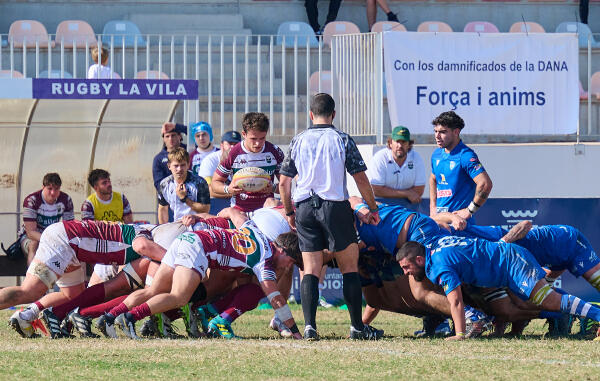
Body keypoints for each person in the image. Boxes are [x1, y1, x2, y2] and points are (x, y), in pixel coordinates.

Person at [101, 214, 303, 340]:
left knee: (153, 290)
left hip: (188, 239)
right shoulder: (265, 261)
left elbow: (235, 213)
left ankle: (110, 317)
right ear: (284, 251)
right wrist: (295, 331)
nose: (288, 268)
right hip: (198, 248)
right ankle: (129, 317)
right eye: (291, 262)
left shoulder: (255, 231)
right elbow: (276, 298)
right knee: (179, 297)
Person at [279, 92, 382, 340]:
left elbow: (284, 183)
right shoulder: (342, 138)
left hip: (304, 206)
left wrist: (289, 211)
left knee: (311, 269)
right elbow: (360, 178)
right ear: (333, 114)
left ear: (311, 115)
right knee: (348, 267)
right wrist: (372, 207)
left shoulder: (298, 140)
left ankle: (309, 327)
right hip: (334, 206)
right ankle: (357, 327)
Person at [397, 238, 600, 341]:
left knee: (548, 300)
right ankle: (568, 316)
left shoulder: (438, 265)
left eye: (406, 267)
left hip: (510, 263)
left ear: (420, 259)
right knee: (517, 306)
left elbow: (456, 301)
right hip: (504, 265)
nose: (406, 273)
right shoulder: (434, 248)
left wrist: (459, 334)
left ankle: (595, 314)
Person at [1, 219, 165, 337]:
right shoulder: (146, 234)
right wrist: (172, 260)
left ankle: (24, 318)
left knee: (72, 295)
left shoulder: (137, 232)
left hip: (71, 246)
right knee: (29, 291)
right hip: (64, 241)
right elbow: (142, 246)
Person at [211, 112, 284, 213]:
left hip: (266, 210)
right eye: (253, 139)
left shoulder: (275, 151)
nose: (258, 143)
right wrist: (228, 189)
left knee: (274, 203)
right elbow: (215, 183)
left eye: (262, 138)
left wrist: (273, 188)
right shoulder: (232, 154)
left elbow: (286, 184)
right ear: (244, 134)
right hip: (240, 211)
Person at [429, 111, 493, 221]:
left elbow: (485, 184)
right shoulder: (436, 154)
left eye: (443, 132)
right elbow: (433, 179)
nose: (437, 136)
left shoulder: (465, 155)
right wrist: (433, 207)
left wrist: (470, 210)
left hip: (460, 225)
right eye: (435, 131)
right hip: (440, 222)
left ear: (456, 132)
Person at [81, 168, 134, 285]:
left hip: (122, 239)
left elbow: (130, 224)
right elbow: (88, 232)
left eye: (109, 181)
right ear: (95, 187)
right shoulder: (89, 204)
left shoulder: (121, 198)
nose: (109, 184)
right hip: (101, 243)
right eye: (104, 183)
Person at [18, 173, 74, 265]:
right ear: (43, 187)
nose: (53, 193)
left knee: (73, 248)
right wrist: (51, 241)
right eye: (49, 189)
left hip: (52, 237)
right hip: (29, 237)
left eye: (56, 189)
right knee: (34, 245)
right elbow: (30, 233)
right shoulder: (32, 200)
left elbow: (70, 227)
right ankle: (32, 276)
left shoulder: (66, 200)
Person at [368, 126, 426, 206]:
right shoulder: (380, 158)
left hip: (409, 207)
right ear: (390, 143)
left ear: (409, 144)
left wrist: (392, 193)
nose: (400, 145)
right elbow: (376, 190)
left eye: (404, 142)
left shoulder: (416, 158)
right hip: (382, 206)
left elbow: (419, 190)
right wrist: (407, 194)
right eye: (397, 141)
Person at [157, 147, 210, 224]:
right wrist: (163, 228)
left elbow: (205, 209)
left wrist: (184, 198)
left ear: (188, 165)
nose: (179, 169)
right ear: (169, 166)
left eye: (182, 165)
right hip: (176, 224)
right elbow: (163, 209)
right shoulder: (164, 184)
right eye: (176, 166)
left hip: (197, 224)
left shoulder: (200, 182)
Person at [152, 122, 187, 192]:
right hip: (169, 198)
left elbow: (196, 133)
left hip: (191, 194)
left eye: (173, 135)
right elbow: (158, 184)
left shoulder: (189, 150)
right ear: (163, 139)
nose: (170, 139)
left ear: (180, 136)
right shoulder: (158, 159)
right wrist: (176, 191)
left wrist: (176, 126)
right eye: (167, 136)